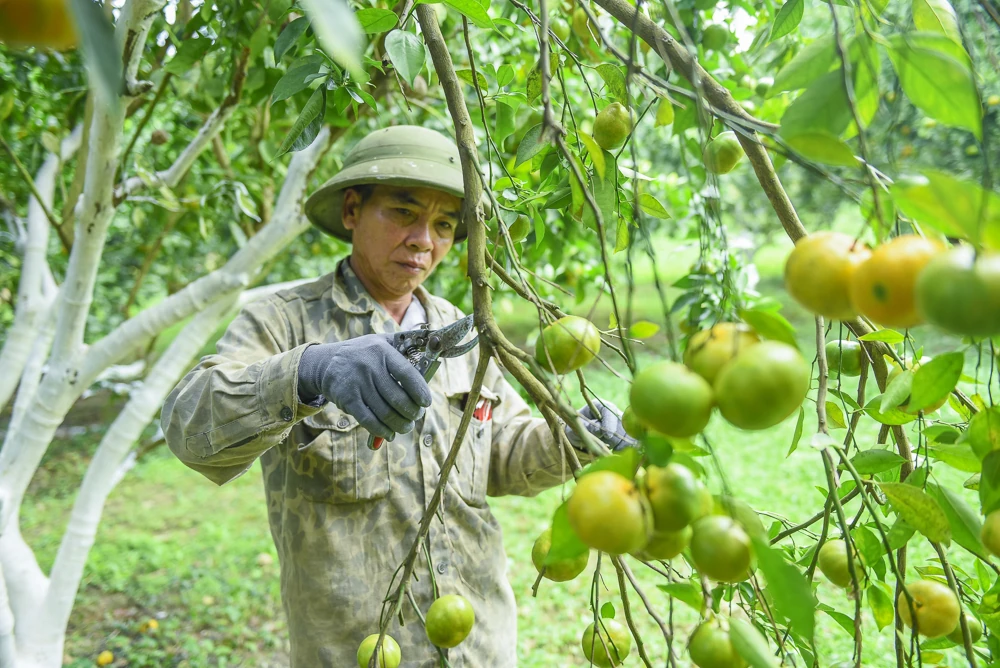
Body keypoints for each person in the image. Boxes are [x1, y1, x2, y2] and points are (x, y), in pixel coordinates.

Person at [161, 125, 629, 667]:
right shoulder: (283, 322)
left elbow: (501, 452)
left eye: (444, 224)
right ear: (352, 210)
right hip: (354, 650)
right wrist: (311, 371)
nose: (424, 241)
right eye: (404, 213)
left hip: (481, 646)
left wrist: (572, 437)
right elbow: (190, 425)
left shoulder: (466, 330)